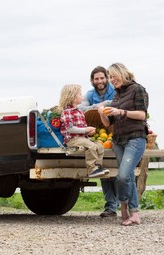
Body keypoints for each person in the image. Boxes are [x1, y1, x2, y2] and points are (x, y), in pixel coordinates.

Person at [98, 63, 149, 226]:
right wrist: (102, 113)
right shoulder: (117, 95)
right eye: (110, 77)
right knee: (127, 178)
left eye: (113, 76)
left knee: (123, 176)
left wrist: (121, 112)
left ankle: (124, 206)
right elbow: (108, 124)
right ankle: (134, 213)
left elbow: (142, 115)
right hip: (118, 141)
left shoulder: (138, 89)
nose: (112, 80)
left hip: (135, 138)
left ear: (122, 73)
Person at [79, 66, 118, 218]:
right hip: (97, 134)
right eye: (96, 79)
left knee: (118, 172)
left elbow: (117, 102)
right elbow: (81, 108)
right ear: (92, 81)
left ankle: (124, 204)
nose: (100, 81)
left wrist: (104, 104)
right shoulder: (89, 94)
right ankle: (110, 206)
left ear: (107, 78)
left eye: (102, 78)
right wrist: (100, 106)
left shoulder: (115, 90)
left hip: (114, 131)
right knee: (104, 170)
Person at [59, 84, 109, 178]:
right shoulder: (67, 112)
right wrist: (85, 130)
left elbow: (81, 128)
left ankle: (98, 166)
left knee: (99, 145)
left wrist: (88, 132)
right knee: (91, 146)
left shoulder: (79, 111)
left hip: (82, 137)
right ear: (72, 97)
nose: (82, 97)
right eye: (80, 94)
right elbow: (70, 128)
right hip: (72, 139)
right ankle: (92, 170)